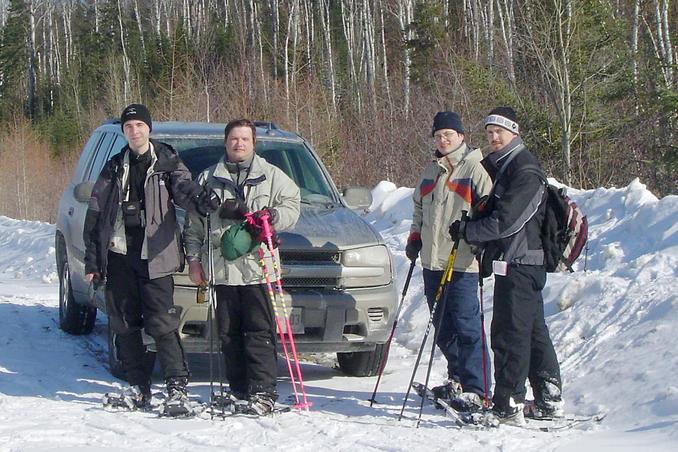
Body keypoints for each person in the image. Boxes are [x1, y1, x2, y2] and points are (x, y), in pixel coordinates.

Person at [84, 104, 220, 416]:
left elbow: (184, 188)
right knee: (124, 324)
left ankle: (177, 387)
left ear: (149, 128)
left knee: (162, 323)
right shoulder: (115, 166)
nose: (135, 131)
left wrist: (201, 199)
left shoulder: (167, 162)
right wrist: (94, 262)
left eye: (139, 125)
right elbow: (95, 216)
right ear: (124, 132)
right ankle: (138, 387)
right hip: (119, 254)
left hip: (155, 256)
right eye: (129, 126)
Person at [450, 107, 563, 425]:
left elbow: (506, 221)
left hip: (521, 263)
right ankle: (548, 398)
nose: (493, 138)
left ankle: (507, 403)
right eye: (488, 133)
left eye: (499, 132)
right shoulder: (505, 167)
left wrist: (469, 231)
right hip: (517, 262)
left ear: (514, 132)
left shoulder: (524, 170)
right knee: (532, 332)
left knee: (509, 333)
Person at [183, 118, 300, 415]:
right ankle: (238, 389)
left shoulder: (271, 176)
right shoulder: (207, 179)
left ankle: (263, 391)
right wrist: (194, 260)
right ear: (225, 143)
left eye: (245, 139)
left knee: (259, 332)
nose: (239, 144)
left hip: (258, 269)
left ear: (253, 143)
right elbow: (193, 226)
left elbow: (292, 205)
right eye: (234, 139)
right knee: (228, 334)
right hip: (221, 271)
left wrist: (272, 216)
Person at [406, 111, 493, 411]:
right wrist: (415, 235)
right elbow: (419, 205)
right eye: (439, 135)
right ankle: (458, 376)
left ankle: (477, 389)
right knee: (442, 327)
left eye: (449, 135)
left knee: (467, 327)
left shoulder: (474, 168)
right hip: (432, 262)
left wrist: (476, 237)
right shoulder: (431, 170)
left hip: (462, 264)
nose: (443, 140)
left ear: (461, 137)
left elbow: (490, 209)